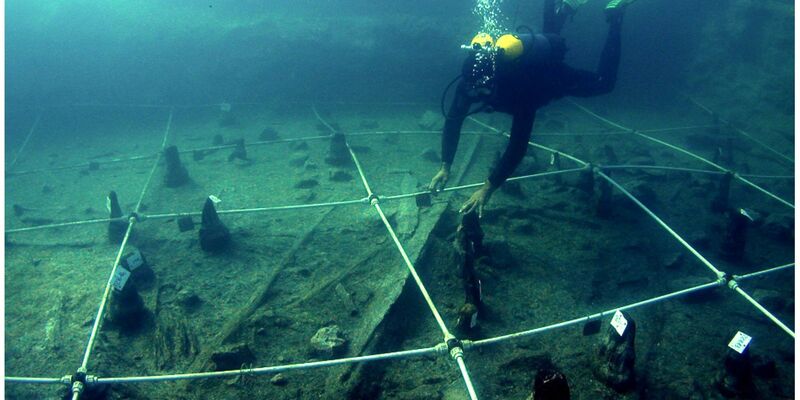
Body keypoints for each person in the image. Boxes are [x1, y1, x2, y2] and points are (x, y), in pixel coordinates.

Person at [429, 0, 636, 217]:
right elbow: (453, 121)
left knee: (604, 83)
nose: (477, 95)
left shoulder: (518, 92)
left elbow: (518, 145)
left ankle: (616, 16)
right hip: (534, 68)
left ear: (494, 81)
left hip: (551, 79)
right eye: (474, 89)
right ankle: (562, 8)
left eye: (482, 90)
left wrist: (487, 188)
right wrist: (445, 166)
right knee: (549, 36)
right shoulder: (468, 83)